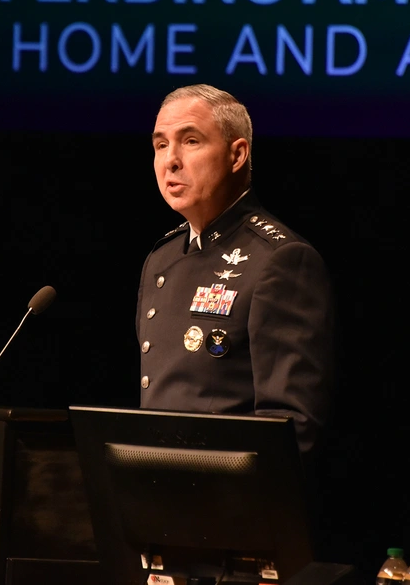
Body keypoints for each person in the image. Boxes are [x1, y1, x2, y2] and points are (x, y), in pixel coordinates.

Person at [136, 84, 336, 458]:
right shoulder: (161, 259)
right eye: (161, 145)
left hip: (231, 505)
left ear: (237, 154)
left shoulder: (280, 259)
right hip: (159, 495)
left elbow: (291, 426)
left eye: (190, 141)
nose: (171, 160)